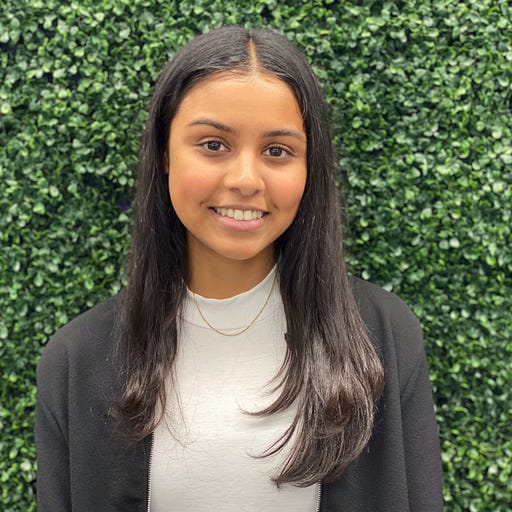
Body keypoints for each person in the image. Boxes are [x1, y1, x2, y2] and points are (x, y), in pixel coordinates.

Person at [35, 26, 443, 511]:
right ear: (165, 153)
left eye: (277, 151)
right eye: (213, 144)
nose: (246, 180)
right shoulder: (76, 361)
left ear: (309, 167)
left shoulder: (383, 336)